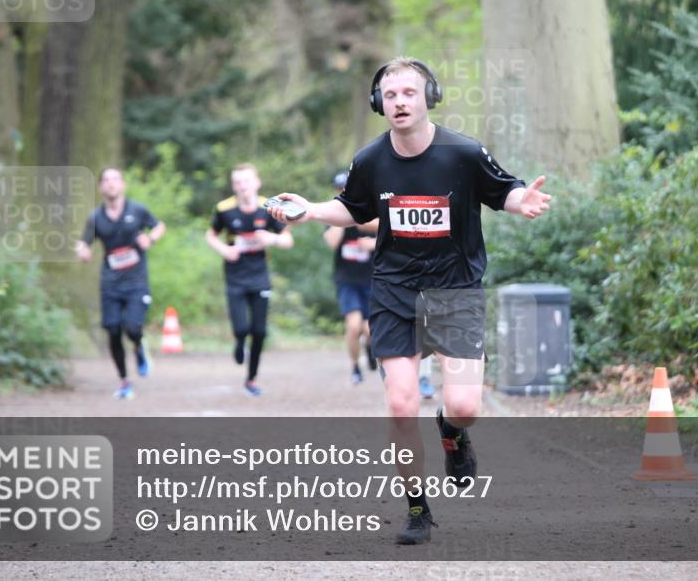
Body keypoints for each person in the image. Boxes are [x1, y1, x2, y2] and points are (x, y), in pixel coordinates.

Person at [269, 57, 551, 545]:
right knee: (400, 404)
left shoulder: (463, 152)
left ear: (428, 98)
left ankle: (451, 430)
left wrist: (519, 199)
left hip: (454, 289)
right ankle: (417, 508)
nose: (400, 102)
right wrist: (311, 210)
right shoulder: (371, 160)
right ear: (380, 103)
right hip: (394, 290)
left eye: (409, 93)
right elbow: (352, 208)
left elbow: (502, 188)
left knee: (465, 406)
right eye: (391, 94)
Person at [76, 168, 166, 400]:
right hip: (110, 283)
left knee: (132, 328)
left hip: (136, 282)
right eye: (106, 180)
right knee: (113, 331)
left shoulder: (137, 210)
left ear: (123, 185)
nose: (111, 184)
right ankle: (124, 381)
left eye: (115, 180)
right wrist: (82, 251)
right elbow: (84, 243)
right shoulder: (96, 217)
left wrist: (151, 238)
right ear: (100, 188)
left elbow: (159, 226)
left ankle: (138, 347)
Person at [206, 164, 293, 396]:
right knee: (242, 328)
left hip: (259, 276)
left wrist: (271, 239)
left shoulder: (269, 208)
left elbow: (287, 240)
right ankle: (238, 341)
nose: (242, 186)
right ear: (233, 186)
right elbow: (211, 235)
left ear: (257, 182)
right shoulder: (224, 209)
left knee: (260, 331)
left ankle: (251, 379)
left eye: (246, 181)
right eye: (237, 182)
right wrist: (224, 249)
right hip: (235, 276)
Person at [324, 171, 379, 384]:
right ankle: (355, 366)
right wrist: (343, 218)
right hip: (347, 280)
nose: (344, 192)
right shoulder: (334, 216)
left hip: (373, 279)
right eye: (340, 190)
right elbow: (331, 242)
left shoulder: (371, 210)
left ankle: (369, 347)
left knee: (370, 330)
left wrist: (372, 243)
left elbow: (389, 232)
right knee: (354, 325)